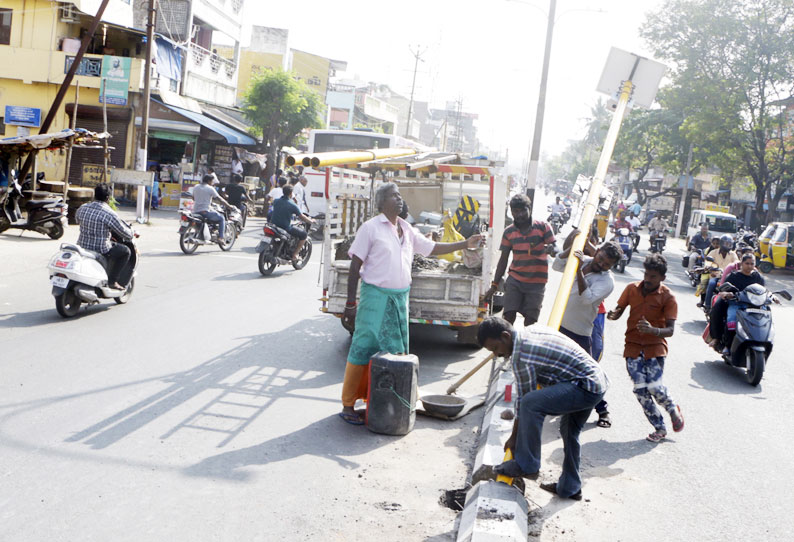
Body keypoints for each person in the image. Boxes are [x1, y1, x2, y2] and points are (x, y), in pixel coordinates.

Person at [339, 182, 482, 425]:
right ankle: (349, 404)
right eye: (394, 195)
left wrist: (464, 244)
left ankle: (384, 401)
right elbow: (355, 266)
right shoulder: (371, 228)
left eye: (400, 195)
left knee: (396, 353)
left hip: (399, 300)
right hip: (375, 300)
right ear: (382, 202)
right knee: (364, 348)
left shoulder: (406, 228)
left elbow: (432, 248)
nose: (400, 199)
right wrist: (350, 303)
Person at [478, 317, 608, 500]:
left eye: (495, 349)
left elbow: (525, 402)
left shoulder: (521, 356)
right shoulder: (530, 331)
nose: (496, 355)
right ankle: (570, 487)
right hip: (595, 382)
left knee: (531, 403)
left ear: (505, 336)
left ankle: (527, 465)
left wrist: (514, 439)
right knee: (569, 431)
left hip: (583, 385)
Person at [607, 254, 684, 443]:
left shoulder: (668, 297)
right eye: (646, 275)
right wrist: (612, 315)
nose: (648, 280)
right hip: (632, 346)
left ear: (662, 278)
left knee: (655, 387)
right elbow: (618, 311)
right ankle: (659, 427)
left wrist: (652, 330)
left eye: (653, 277)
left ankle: (672, 408)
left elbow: (671, 330)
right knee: (641, 390)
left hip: (655, 347)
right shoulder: (631, 289)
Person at [552, 230, 622, 427]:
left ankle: (603, 410)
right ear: (597, 250)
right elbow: (557, 264)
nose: (600, 264)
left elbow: (587, 299)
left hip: (580, 331)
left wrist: (579, 270)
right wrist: (571, 248)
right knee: (557, 367)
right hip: (559, 323)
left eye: (606, 264)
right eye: (600, 258)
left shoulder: (607, 281)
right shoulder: (582, 260)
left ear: (611, 266)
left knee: (588, 373)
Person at [484, 194, 556, 327]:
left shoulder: (543, 227)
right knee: (507, 318)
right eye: (516, 211)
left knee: (530, 323)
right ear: (511, 212)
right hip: (515, 281)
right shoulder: (508, 232)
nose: (520, 215)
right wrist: (494, 285)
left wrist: (552, 250)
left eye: (523, 210)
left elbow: (555, 249)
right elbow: (503, 260)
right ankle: (507, 346)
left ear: (529, 208)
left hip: (537, 284)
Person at [76, 183, 135, 289]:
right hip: (101, 249)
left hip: (82, 246)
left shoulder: (82, 208)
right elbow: (125, 233)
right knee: (125, 251)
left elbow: (77, 220)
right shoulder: (109, 213)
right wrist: (132, 233)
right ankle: (113, 281)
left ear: (95, 195)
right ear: (108, 198)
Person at [708, 253, 765, 349]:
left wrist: (772, 296)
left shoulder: (758, 277)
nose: (750, 266)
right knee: (719, 310)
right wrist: (726, 294)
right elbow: (723, 289)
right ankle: (717, 339)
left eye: (752, 263)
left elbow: (763, 290)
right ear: (741, 263)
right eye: (747, 263)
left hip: (753, 305)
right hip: (735, 303)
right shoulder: (733, 276)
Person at [271, 184, 313, 263]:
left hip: (274, 225)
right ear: (291, 193)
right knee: (304, 234)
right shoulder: (292, 204)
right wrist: (310, 221)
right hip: (285, 227)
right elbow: (302, 216)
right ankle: (295, 254)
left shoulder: (276, 201)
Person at [702, 234, 739, 310]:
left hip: (728, 276)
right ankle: (707, 305)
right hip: (716, 275)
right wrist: (709, 266)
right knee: (711, 284)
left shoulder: (733, 254)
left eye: (729, 244)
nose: (728, 245)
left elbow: (736, 263)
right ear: (722, 243)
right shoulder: (713, 252)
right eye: (726, 243)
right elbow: (708, 262)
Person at [193, 174, 234, 240]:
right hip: (205, 211)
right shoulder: (210, 188)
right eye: (212, 182)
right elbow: (220, 199)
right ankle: (221, 238)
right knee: (221, 218)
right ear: (209, 181)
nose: (212, 183)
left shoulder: (196, 186)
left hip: (195, 210)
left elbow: (193, 198)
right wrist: (229, 206)